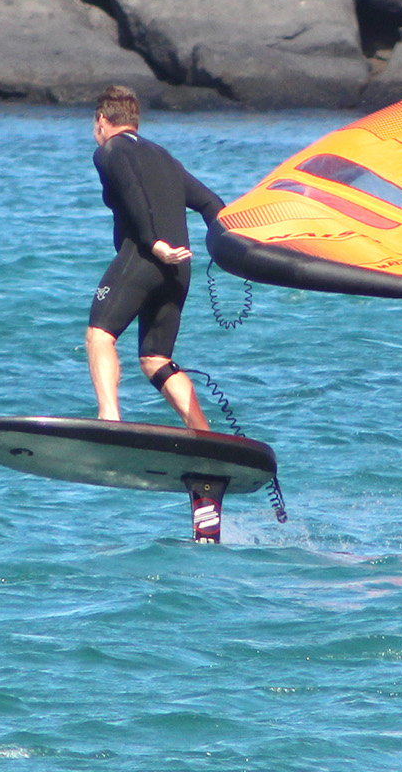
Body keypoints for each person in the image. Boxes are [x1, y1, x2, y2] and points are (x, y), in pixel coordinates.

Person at [85, 85, 229, 538]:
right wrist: (231, 247)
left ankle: (110, 420)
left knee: (99, 336)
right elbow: (211, 205)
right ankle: (204, 440)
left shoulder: (108, 151)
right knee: (155, 358)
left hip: (147, 258)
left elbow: (130, 193)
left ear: (102, 122)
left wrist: (153, 243)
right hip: (180, 268)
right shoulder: (166, 157)